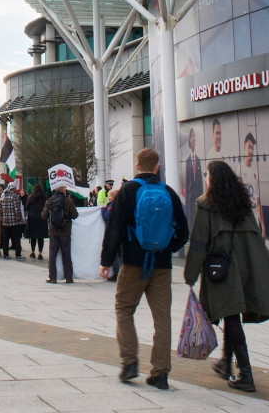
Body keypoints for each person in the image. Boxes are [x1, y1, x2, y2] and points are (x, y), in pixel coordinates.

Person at [184, 160, 269, 393]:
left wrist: (190, 274)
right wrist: (267, 270)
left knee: (231, 317)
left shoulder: (205, 206)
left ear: (212, 180)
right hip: (246, 270)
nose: (205, 179)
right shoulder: (242, 207)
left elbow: (198, 244)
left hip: (221, 272)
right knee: (230, 312)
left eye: (207, 176)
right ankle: (226, 363)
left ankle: (246, 374)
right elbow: (256, 241)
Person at [99, 148, 188, 390]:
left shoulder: (128, 191)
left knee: (124, 309)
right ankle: (160, 372)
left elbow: (115, 229)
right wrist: (168, 248)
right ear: (157, 167)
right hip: (162, 266)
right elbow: (183, 232)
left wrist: (106, 261)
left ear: (137, 166)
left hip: (133, 264)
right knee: (162, 319)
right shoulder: (168, 192)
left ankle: (129, 362)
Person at [42, 184, 78, 283]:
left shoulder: (49, 201)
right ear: (63, 191)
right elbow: (75, 214)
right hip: (65, 231)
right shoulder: (68, 201)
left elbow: (43, 216)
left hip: (53, 232)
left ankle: (53, 277)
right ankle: (69, 277)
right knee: (66, 254)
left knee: (52, 255)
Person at [237, 133, 265, 239]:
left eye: (252, 148)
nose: (251, 151)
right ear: (244, 147)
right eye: (249, 147)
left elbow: (258, 200)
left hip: (255, 222)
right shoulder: (239, 170)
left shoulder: (255, 170)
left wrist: (263, 226)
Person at [183, 128, 204, 227]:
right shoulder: (187, 161)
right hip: (191, 198)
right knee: (192, 223)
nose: (194, 139)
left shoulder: (199, 160)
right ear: (189, 140)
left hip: (198, 196)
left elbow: (200, 184)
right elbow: (187, 185)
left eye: (195, 136)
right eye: (192, 136)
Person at [0, 181, 26, 259]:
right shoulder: (15, 196)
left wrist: (2, 218)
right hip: (14, 222)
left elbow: (0, 210)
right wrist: (19, 219)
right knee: (16, 238)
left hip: (5, 222)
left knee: (5, 239)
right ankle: (18, 254)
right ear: (14, 188)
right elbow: (17, 210)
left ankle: (6, 254)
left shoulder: (3, 196)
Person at [24, 184, 47, 260]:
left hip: (32, 216)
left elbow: (27, 207)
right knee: (40, 237)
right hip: (41, 216)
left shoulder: (30, 197)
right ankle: (40, 253)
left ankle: (33, 252)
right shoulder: (44, 197)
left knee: (33, 236)